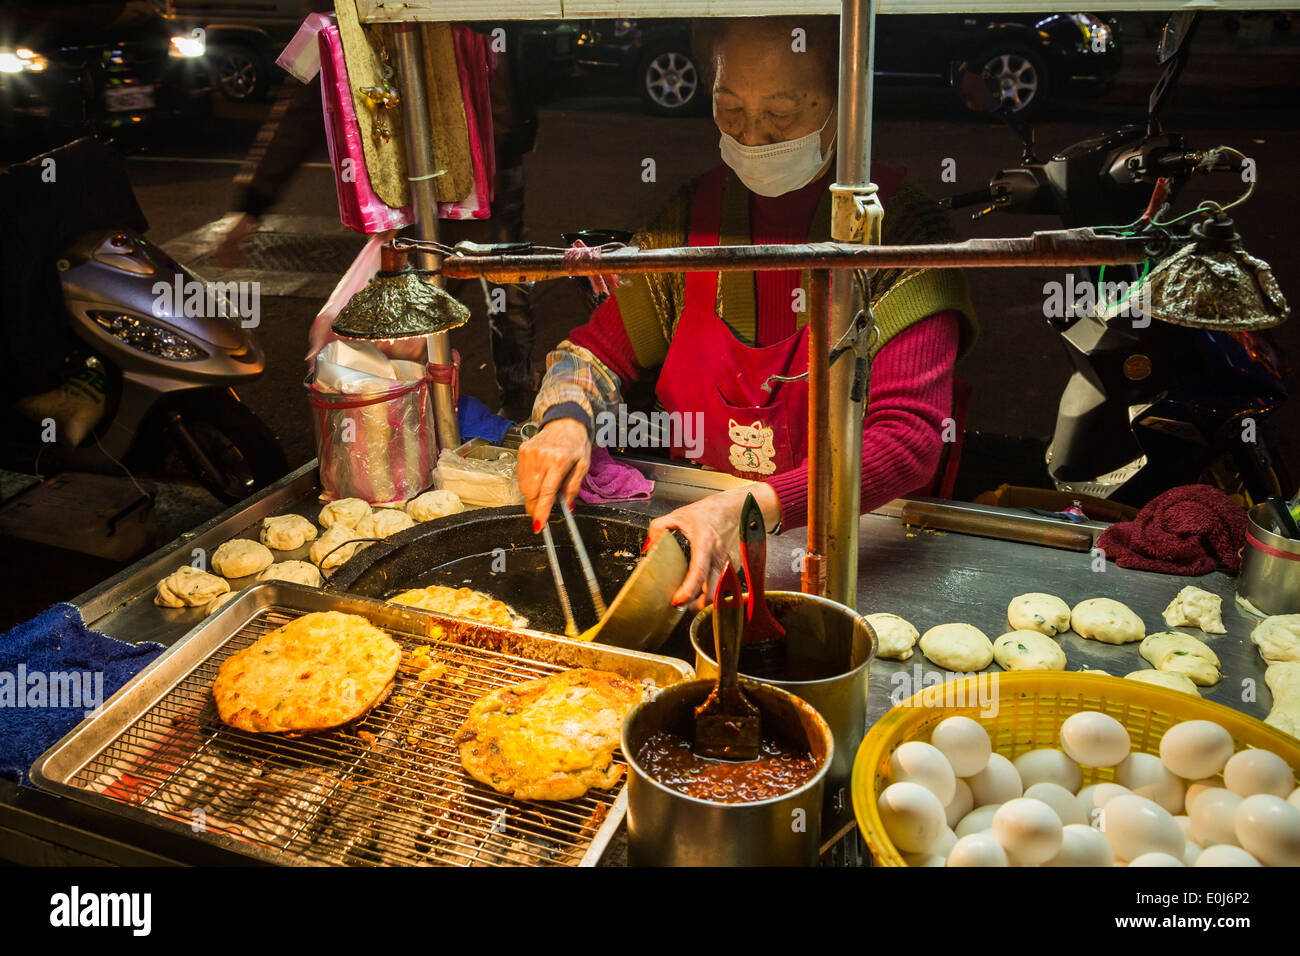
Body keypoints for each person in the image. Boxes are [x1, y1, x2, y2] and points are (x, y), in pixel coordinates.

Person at [517, 16, 977, 609]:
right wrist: (565, 419)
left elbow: (909, 440)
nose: (753, 137)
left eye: (781, 114)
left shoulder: (904, 234)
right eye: (730, 109)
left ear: (845, 100)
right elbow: (595, 352)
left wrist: (747, 509)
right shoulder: (694, 220)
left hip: (864, 539)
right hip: (705, 533)